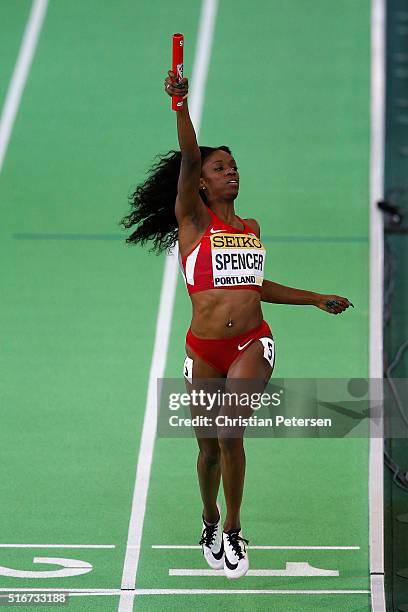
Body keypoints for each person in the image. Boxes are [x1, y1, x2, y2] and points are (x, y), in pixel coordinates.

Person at [121, 70, 352, 579]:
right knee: (206, 450)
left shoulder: (251, 229)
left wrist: (315, 298)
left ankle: (233, 531)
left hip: (252, 343)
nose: (232, 172)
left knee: (230, 431)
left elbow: (255, 288)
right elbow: (186, 156)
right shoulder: (193, 220)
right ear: (201, 181)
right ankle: (208, 519)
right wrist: (179, 107)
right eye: (221, 167)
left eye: (234, 166)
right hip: (203, 350)